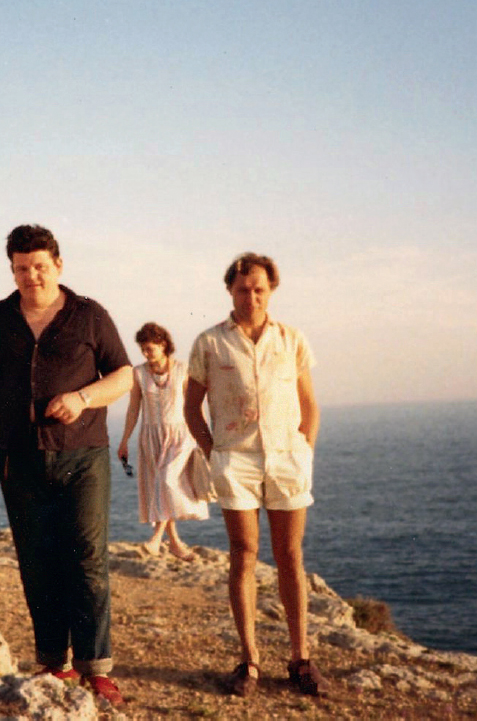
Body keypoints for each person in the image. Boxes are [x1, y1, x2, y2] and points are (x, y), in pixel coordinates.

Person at [0, 224, 132, 707]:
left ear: (58, 265)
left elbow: (123, 376)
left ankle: (98, 669)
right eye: (21, 268)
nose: (31, 276)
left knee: (87, 558)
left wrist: (82, 397)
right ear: (12, 269)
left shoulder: (90, 315)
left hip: (83, 455)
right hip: (18, 457)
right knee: (37, 561)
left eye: (40, 267)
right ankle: (55, 661)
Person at [184, 253, 324, 697]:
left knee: (290, 555)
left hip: (286, 459)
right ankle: (249, 661)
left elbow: (310, 403)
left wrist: (305, 450)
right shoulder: (210, 342)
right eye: (243, 288)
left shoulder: (291, 339)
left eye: (259, 288)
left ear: (272, 290)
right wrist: (216, 455)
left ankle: (300, 658)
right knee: (244, 552)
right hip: (236, 461)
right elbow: (191, 408)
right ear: (230, 290)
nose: (251, 296)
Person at [117, 322, 208, 560]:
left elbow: (195, 406)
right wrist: (125, 440)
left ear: (163, 345)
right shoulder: (139, 373)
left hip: (180, 436)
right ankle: (175, 543)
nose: (146, 354)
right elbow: (133, 409)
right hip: (151, 437)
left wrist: (204, 437)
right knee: (159, 486)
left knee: (166, 481)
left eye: (149, 349)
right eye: (143, 349)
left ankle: (156, 539)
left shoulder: (183, 370)